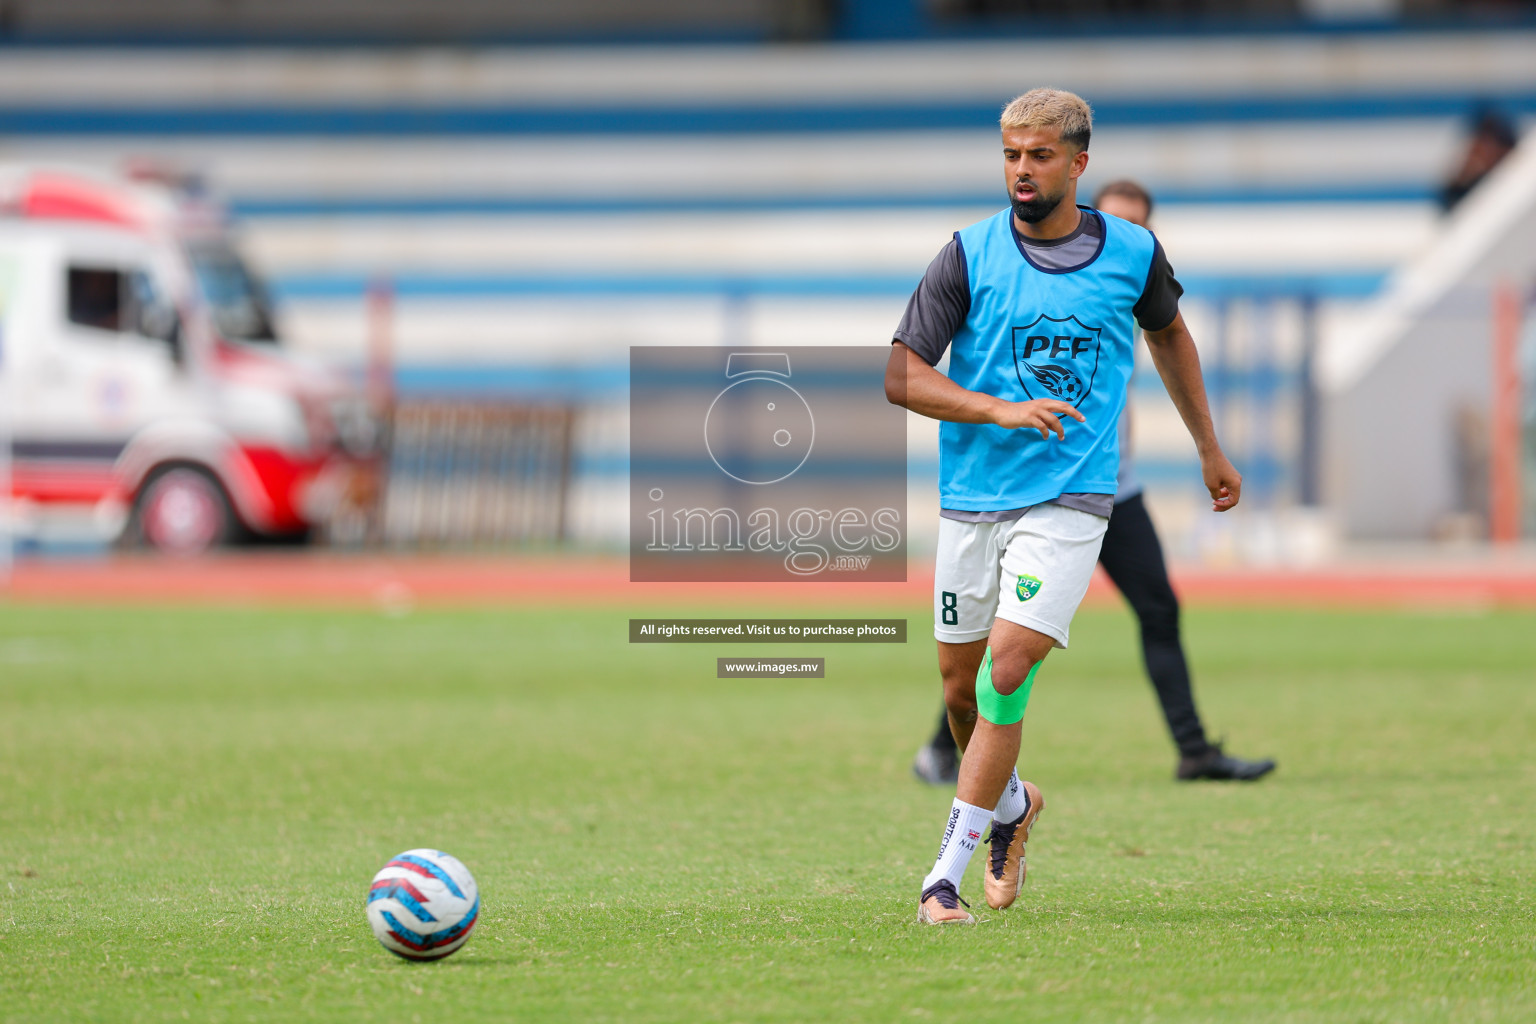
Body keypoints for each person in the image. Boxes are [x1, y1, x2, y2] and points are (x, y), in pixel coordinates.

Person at [885, 88, 1242, 925]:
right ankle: (1011, 807)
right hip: (973, 497)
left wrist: (1207, 446)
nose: (1021, 170)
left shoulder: (1132, 252)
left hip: (1073, 497)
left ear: (1078, 163)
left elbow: (1170, 337)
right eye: (1010, 155)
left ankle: (944, 877)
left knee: (1009, 670)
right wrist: (997, 407)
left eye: (1038, 156)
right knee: (961, 689)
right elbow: (902, 375)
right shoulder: (966, 255)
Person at [911, 179, 1276, 787]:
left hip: (1107, 488)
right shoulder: (1023, 269)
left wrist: (1207, 448)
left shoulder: (1128, 277)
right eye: (1117, 217)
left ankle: (1194, 749)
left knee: (1157, 608)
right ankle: (947, 747)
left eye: (1139, 222)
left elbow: (1169, 342)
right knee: (989, 642)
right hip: (1020, 489)